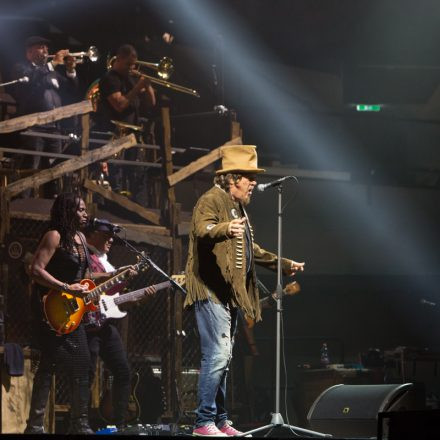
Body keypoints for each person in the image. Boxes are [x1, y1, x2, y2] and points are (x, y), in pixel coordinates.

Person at [184, 145, 305, 437]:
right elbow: (203, 229)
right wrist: (225, 229)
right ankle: (203, 422)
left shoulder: (237, 208)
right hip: (210, 291)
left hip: (229, 294)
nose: (253, 182)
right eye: (249, 177)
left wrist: (283, 264)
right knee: (216, 354)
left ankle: (221, 420)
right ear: (233, 177)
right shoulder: (211, 199)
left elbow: (254, 250)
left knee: (224, 357)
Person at [25, 192, 96, 434]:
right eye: (80, 209)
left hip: (72, 312)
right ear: (67, 211)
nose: (86, 214)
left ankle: (79, 423)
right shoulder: (54, 236)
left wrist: (116, 275)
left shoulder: (81, 239)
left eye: (86, 210)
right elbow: (35, 269)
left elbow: (85, 279)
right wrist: (65, 287)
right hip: (50, 309)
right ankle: (36, 426)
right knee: (50, 364)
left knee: (81, 363)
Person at [83, 219, 156, 428]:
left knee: (123, 372)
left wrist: (139, 298)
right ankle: (81, 423)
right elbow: (82, 279)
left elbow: (113, 298)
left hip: (104, 323)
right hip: (86, 324)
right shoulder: (85, 254)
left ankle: (120, 425)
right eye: (107, 235)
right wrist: (114, 274)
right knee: (86, 375)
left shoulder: (106, 260)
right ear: (94, 234)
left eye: (112, 236)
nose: (111, 240)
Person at [10, 36, 80, 196]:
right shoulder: (22, 69)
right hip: (34, 128)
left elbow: (72, 90)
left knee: (54, 171)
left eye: (47, 48)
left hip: (54, 129)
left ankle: (51, 205)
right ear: (29, 53)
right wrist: (53, 63)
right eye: (41, 47)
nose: (46, 51)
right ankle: (22, 205)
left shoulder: (52, 73)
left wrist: (70, 70)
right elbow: (32, 82)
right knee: (30, 169)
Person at [94, 44, 156, 194]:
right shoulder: (109, 79)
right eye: (128, 64)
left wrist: (147, 86)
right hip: (113, 135)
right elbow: (119, 105)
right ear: (119, 59)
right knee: (116, 175)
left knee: (133, 175)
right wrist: (137, 87)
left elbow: (152, 103)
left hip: (132, 135)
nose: (131, 67)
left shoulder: (131, 79)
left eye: (133, 64)